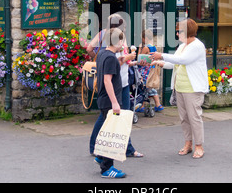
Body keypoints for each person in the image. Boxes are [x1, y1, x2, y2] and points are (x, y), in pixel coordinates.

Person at [150, 18, 208, 159]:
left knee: (194, 118)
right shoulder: (183, 46)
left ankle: (199, 146)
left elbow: (183, 61)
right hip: (180, 87)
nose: (177, 34)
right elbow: (174, 63)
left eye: (179, 31)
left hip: (193, 88)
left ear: (187, 31)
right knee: (184, 118)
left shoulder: (197, 46)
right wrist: (159, 62)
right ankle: (188, 144)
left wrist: (161, 55)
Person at [88, 14, 143, 158]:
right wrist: (127, 58)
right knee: (121, 115)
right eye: (123, 25)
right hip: (117, 82)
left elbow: (89, 48)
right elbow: (115, 61)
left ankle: (95, 147)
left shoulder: (102, 34)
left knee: (109, 116)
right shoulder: (117, 38)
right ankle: (125, 149)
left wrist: (98, 59)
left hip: (120, 79)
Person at [94, 27, 126, 178]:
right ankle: (107, 169)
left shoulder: (102, 54)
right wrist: (115, 103)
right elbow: (108, 81)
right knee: (111, 135)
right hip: (109, 101)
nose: (123, 43)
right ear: (117, 41)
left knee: (105, 131)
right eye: (122, 40)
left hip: (102, 99)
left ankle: (100, 156)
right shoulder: (110, 58)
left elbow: (106, 74)